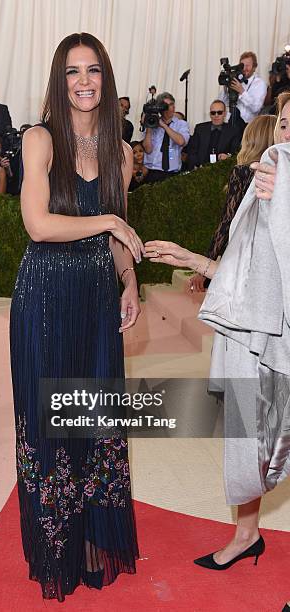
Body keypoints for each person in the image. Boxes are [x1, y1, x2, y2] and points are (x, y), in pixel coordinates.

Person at [9, 32, 143, 602]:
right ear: (58, 81)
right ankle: (56, 550)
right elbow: (38, 225)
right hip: (44, 300)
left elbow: (120, 234)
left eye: (92, 70)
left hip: (93, 300)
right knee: (51, 427)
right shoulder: (39, 140)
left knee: (95, 423)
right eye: (72, 72)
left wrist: (129, 279)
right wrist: (109, 222)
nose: (83, 81)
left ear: (105, 78)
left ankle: (91, 541)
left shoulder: (121, 153)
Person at [143, 92, 290, 598]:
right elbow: (244, 278)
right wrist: (191, 258)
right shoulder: (264, 198)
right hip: (258, 340)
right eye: (284, 126)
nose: (286, 140)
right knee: (247, 434)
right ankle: (246, 533)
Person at [188, 114, 276, 292]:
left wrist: (206, 267)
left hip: (243, 253)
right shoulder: (280, 173)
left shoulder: (243, 172)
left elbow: (227, 221)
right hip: (271, 253)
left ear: (251, 138)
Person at [142, 91, 190, 182]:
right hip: (152, 172)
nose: (169, 108)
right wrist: (149, 127)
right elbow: (148, 149)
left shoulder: (181, 124)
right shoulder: (153, 123)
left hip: (172, 173)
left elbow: (181, 142)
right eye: (165, 105)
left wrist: (164, 126)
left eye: (171, 104)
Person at [219, 51, 267, 133]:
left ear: (254, 67)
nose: (244, 68)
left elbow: (256, 108)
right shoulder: (235, 79)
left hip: (247, 127)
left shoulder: (260, 83)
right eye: (242, 65)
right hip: (229, 124)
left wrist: (241, 91)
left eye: (247, 65)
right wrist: (225, 89)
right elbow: (221, 103)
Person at [186, 100, 241, 170]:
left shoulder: (233, 131)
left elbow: (236, 152)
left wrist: (227, 156)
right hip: (200, 170)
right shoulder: (200, 129)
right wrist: (195, 166)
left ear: (225, 114)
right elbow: (192, 151)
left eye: (219, 112)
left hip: (222, 170)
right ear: (210, 114)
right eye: (213, 113)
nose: (216, 115)